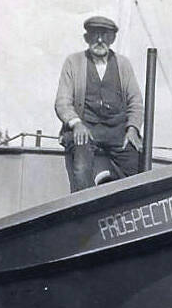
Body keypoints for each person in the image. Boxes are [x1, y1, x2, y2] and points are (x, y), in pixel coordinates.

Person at [55, 16, 144, 192]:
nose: (100, 40)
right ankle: (86, 213)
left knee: (137, 167)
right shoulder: (73, 62)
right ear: (87, 38)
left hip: (117, 132)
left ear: (112, 39)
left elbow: (136, 102)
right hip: (86, 130)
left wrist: (132, 128)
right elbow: (62, 102)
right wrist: (76, 124)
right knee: (81, 169)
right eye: (95, 35)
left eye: (105, 35)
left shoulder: (123, 64)